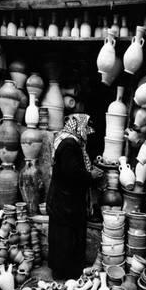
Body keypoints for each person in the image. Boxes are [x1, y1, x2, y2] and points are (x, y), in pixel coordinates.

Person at [46, 114, 103, 279]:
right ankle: (66, 272)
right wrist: (91, 175)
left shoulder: (69, 142)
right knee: (65, 237)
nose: (86, 132)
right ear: (78, 128)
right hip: (65, 202)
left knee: (63, 236)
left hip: (64, 199)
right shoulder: (70, 145)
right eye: (85, 128)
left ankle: (63, 269)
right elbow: (72, 174)